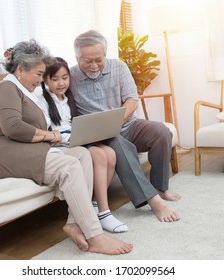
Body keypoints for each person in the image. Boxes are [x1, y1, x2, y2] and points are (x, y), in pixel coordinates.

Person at [0, 39, 132, 255]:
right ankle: (95, 235)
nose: (41, 79)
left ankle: (73, 223)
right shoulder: (5, 88)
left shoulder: (24, 91)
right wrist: (50, 135)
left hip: (23, 148)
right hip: (2, 153)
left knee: (82, 155)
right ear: (21, 69)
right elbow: (13, 128)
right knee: (68, 165)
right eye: (39, 74)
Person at [70, 30, 181, 223]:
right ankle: (153, 200)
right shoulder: (70, 76)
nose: (94, 65)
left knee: (161, 132)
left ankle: (159, 187)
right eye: (88, 61)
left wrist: (116, 121)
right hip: (99, 135)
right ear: (77, 57)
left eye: (99, 59)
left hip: (128, 124)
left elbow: (131, 100)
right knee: (119, 144)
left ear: (105, 54)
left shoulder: (119, 67)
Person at [39, 57, 128, 233]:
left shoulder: (67, 98)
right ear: (45, 79)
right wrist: (71, 138)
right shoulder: (42, 100)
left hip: (76, 139)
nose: (61, 83)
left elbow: (74, 124)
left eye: (65, 77)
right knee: (100, 155)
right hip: (60, 145)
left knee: (110, 153)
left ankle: (94, 204)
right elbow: (51, 133)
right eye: (55, 79)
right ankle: (104, 212)